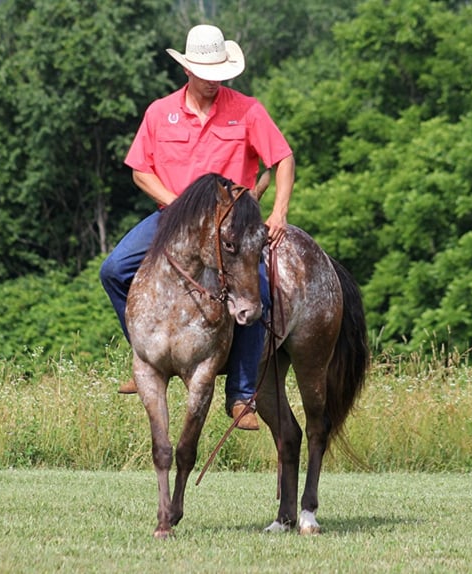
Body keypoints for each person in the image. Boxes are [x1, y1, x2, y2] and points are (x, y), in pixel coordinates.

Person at [100, 24, 295, 431]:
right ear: (187, 70)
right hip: (172, 220)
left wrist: (278, 212)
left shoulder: (247, 110)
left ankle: (242, 395)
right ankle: (144, 356)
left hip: (233, 227)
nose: (213, 81)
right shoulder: (160, 112)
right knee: (114, 270)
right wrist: (179, 206)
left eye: (219, 73)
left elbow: (283, 158)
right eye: (206, 73)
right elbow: (140, 171)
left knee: (258, 292)